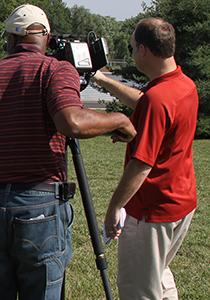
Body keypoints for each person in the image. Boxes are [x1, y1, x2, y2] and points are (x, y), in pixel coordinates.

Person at [0, 4, 136, 299]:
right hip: (39, 202)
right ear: (46, 38)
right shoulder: (54, 69)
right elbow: (72, 121)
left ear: (9, 39)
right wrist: (120, 120)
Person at [94, 18, 198, 300]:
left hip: (152, 212)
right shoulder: (183, 84)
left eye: (130, 49)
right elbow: (145, 102)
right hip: (181, 203)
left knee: (138, 290)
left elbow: (142, 164)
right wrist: (102, 79)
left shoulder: (158, 99)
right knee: (159, 275)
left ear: (143, 50)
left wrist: (114, 207)